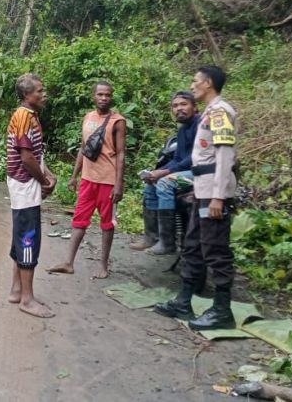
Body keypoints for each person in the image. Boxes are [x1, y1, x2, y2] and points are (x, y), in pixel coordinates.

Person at [154, 65, 238, 331]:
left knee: (216, 250)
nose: (192, 85)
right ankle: (184, 300)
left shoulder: (221, 111)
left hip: (213, 191)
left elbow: (225, 154)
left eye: (195, 81)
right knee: (192, 245)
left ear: (209, 83)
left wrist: (218, 197)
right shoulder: (209, 114)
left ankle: (222, 311)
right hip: (201, 189)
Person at [48, 81, 126, 279]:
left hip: (107, 181)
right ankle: (68, 262)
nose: (104, 98)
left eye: (107, 95)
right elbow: (84, 148)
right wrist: (74, 176)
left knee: (107, 223)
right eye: (100, 94)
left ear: (111, 96)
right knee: (79, 220)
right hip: (88, 179)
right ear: (94, 96)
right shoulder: (88, 118)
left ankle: (103, 265)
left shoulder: (118, 121)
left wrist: (119, 183)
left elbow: (121, 153)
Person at [6, 73, 57, 318]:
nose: (43, 94)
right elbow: (26, 159)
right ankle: (27, 299)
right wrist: (44, 181)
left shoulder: (30, 116)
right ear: (27, 95)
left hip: (25, 185)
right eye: (39, 90)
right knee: (28, 238)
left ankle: (17, 290)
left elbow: (36, 155)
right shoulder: (24, 117)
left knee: (21, 233)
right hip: (24, 186)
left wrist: (48, 174)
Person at [130, 91, 200, 255]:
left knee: (165, 182)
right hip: (184, 175)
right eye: (175, 106)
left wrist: (165, 173)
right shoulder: (183, 130)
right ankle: (151, 237)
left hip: (199, 177)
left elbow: (194, 158)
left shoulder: (200, 124)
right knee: (152, 183)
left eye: (183, 104)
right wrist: (156, 172)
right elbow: (177, 158)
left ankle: (167, 242)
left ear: (195, 107)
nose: (179, 109)